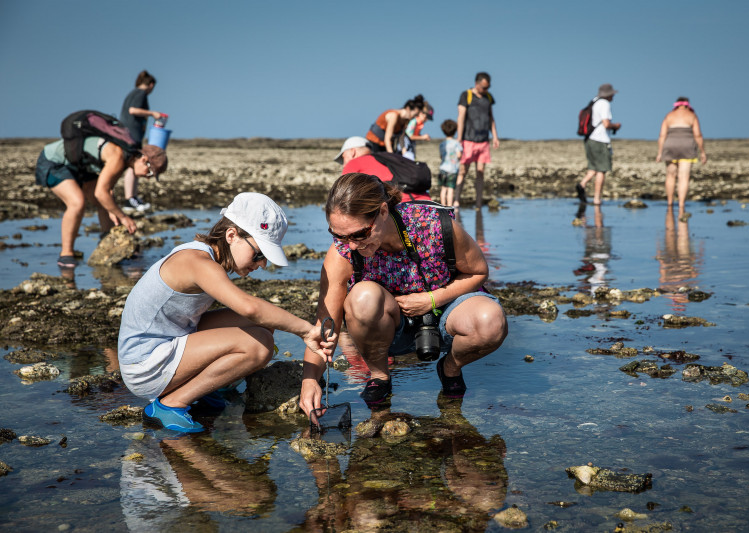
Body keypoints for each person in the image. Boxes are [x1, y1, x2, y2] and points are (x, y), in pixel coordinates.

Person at [117, 193, 334, 432]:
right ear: (231, 235)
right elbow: (249, 307)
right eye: (259, 254)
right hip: (144, 366)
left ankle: (209, 387)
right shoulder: (197, 263)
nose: (262, 264)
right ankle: (169, 404)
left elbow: (256, 313)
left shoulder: (205, 256)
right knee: (259, 345)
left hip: (169, 340)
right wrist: (306, 331)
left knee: (264, 326)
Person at [298, 173, 507, 420]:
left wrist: (431, 300)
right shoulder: (343, 252)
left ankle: (450, 368)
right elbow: (326, 325)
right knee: (362, 297)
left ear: (383, 212)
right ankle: (379, 376)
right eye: (339, 235)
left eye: (359, 234)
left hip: (448, 313)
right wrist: (310, 380)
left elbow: (479, 272)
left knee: (490, 321)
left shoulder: (434, 225)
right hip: (390, 327)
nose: (351, 245)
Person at [34, 132, 167, 268]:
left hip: (81, 166)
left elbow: (107, 193)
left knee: (106, 202)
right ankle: (66, 255)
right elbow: (100, 193)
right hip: (54, 161)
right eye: (150, 172)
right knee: (77, 203)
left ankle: (106, 242)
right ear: (144, 159)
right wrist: (123, 217)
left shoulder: (124, 158)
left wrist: (112, 209)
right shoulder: (118, 156)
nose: (148, 177)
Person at [119, 70, 166, 213]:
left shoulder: (134, 93)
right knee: (133, 165)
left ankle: (133, 197)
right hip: (131, 135)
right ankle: (129, 199)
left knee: (134, 165)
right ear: (151, 85)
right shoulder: (140, 94)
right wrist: (152, 113)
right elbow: (133, 110)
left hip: (130, 134)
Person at [334, 136, 431, 202]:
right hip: (427, 205)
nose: (343, 165)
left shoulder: (354, 163)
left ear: (352, 152)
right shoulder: (388, 157)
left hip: (400, 210)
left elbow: (342, 196)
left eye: (343, 157)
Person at [656, 96, 707, 214]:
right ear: (687, 105)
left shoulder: (669, 116)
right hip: (687, 146)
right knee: (684, 176)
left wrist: (659, 153)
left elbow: (662, 135)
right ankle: (681, 205)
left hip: (670, 146)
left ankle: (669, 203)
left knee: (670, 175)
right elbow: (698, 135)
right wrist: (702, 152)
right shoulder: (692, 116)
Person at [455, 72, 499, 210]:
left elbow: (491, 117)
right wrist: (459, 139)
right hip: (468, 140)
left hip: (483, 141)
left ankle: (478, 203)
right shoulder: (466, 96)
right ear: (477, 84)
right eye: (484, 87)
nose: (486, 90)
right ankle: (456, 201)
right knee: (463, 171)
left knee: (480, 172)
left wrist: (495, 136)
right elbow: (461, 118)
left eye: (488, 87)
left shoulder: (488, 98)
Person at [576, 83, 621, 206]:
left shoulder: (594, 101)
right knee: (602, 170)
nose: (613, 96)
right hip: (600, 140)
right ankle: (597, 199)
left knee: (593, 168)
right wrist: (616, 126)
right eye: (612, 94)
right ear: (609, 95)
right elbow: (606, 124)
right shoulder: (604, 104)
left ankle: (582, 184)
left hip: (589, 139)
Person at [438, 119, 461, 206]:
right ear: (455, 131)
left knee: (443, 189)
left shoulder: (442, 144)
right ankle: (449, 207)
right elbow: (459, 155)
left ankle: (443, 206)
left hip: (443, 168)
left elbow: (441, 156)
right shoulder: (456, 143)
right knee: (450, 189)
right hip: (452, 170)